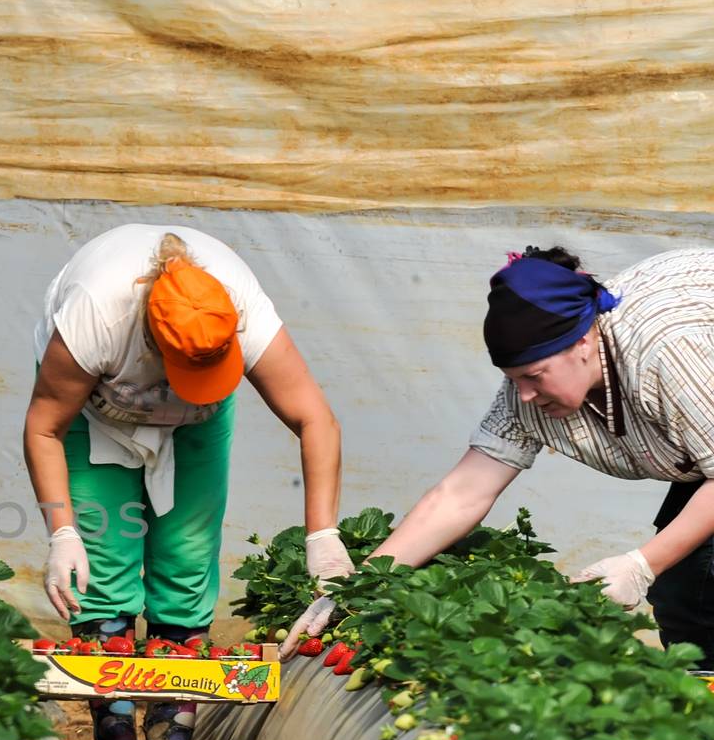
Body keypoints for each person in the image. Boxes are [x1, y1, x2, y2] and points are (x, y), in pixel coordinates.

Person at [23, 225, 350, 740]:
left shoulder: (241, 310)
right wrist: (62, 532)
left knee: (187, 555)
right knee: (101, 560)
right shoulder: (97, 314)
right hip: (96, 416)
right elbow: (45, 425)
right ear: (152, 341)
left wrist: (323, 534)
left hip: (196, 425)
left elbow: (314, 418)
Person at [281, 246, 714, 667]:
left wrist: (641, 564)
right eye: (513, 379)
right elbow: (462, 494)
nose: (524, 394)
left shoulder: (665, 351)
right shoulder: (526, 395)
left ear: (583, 342)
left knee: (698, 573)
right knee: (685, 594)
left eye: (534, 376)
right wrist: (359, 587)